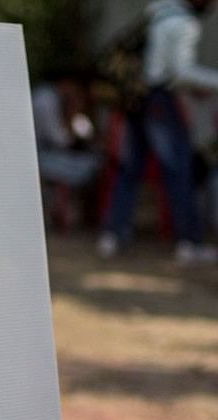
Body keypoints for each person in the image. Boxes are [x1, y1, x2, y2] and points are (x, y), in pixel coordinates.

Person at [98, 0, 218, 263]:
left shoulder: (158, 12)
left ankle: (113, 235)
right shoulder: (184, 22)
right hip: (159, 99)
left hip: (137, 98)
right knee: (178, 170)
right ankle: (189, 241)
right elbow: (180, 71)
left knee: (130, 169)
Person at [32, 72, 100, 230]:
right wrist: (72, 117)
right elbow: (59, 139)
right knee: (92, 165)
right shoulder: (46, 100)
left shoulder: (50, 97)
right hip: (43, 155)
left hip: (49, 151)